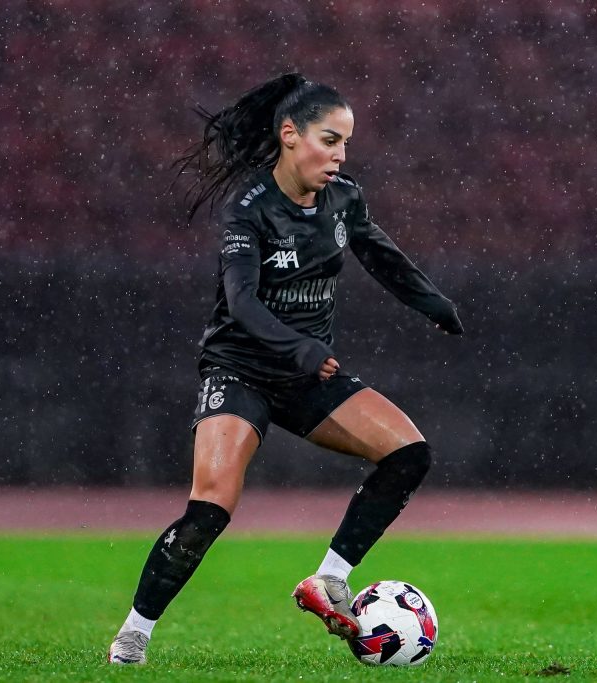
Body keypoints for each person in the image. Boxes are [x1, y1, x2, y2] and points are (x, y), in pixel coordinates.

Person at [107, 72, 463, 665]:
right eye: (330, 140)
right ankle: (133, 635)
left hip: (307, 378)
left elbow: (382, 256)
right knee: (210, 507)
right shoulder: (249, 210)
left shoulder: (343, 198)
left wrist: (434, 304)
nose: (340, 155)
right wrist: (300, 349)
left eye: (346, 143)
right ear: (291, 135)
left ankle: (329, 579)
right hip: (240, 371)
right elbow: (241, 303)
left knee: (410, 453)